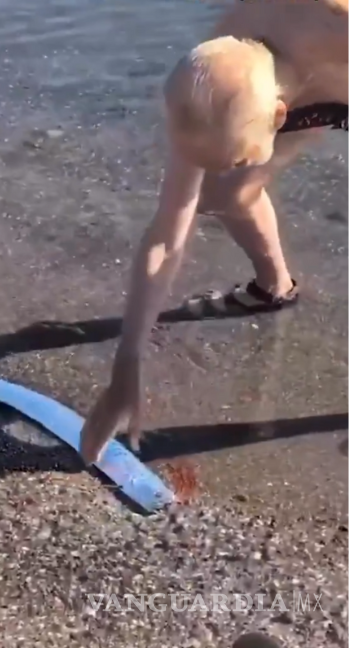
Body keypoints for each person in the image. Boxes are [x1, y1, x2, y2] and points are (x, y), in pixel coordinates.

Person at [79, 0, 347, 463]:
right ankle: (273, 287)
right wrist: (127, 366)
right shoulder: (212, 76)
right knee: (225, 194)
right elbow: (167, 236)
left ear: (280, 116)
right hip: (308, 87)